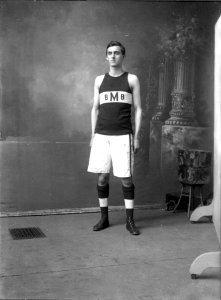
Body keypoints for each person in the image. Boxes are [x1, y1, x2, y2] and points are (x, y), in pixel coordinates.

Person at [87, 41, 142, 235]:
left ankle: (130, 220)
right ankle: (104, 217)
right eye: (109, 53)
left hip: (123, 136)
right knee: (102, 177)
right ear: (106, 56)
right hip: (102, 135)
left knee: (126, 179)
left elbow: (139, 109)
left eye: (117, 53)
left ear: (122, 56)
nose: (113, 56)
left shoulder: (132, 79)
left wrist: (136, 137)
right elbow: (95, 109)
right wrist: (93, 135)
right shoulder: (99, 80)